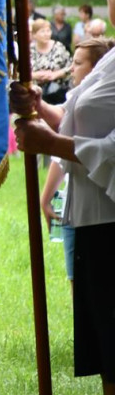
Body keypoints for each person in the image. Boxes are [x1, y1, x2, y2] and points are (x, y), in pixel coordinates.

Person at [11, 0, 115, 395]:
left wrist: (50, 144)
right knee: (109, 354)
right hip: (93, 222)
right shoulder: (111, 60)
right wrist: (41, 108)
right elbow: (79, 119)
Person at [39, 36, 115, 295]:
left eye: (78, 63)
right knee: (83, 292)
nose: (72, 68)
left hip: (106, 213)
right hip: (81, 209)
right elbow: (66, 117)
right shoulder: (104, 68)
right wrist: (36, 104)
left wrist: (49, 143)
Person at [30, 17, 72, 105]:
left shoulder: (59, 47)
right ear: (34, 34)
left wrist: (55, 75)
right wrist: (36, 75)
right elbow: (20, 72)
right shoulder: (29, 50)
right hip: (35, 92)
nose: (46, 34)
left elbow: (70, 67)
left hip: (57, 92)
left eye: (48, 31)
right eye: (42, 31)